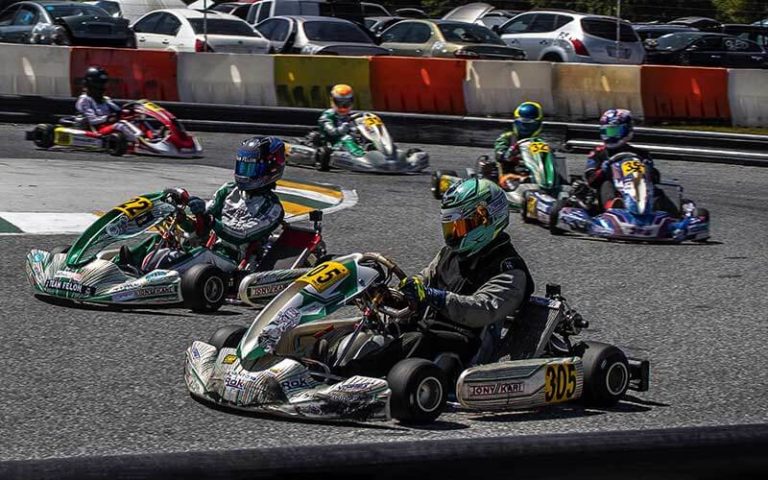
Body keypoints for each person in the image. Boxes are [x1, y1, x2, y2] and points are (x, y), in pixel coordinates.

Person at [338, 178, 534, 378]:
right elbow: (423, 280)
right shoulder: (450, 254)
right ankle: (324, 360)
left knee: (417, 340)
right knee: (372, 328)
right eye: (450, 227)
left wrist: (435, 297)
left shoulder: (509, 270)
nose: (453, 235)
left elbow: (482, 310)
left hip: (464, 347)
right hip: (429, 326)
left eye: (460, 226)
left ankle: (351, 377)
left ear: (485, 219)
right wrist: (395, 294)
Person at [118, 136, 286, 272]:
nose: (244, 174)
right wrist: (184, 215)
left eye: (250, 169)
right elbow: (200, 227)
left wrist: (211, 221)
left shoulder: (273, 208)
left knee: (201, 254)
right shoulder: (228, 191)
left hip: (236, 262)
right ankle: (120, 266)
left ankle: (150, 277)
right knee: (161, 239)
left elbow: (242, 235)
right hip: (209, 248)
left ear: (270, 169)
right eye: (242, 167)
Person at [584, 108, 678, 214]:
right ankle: (614, 206)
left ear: (627, 130)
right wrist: (603, 171)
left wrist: (649, 170)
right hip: (609, 198)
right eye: (607, 131)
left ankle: (669, 213)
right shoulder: (598, 154)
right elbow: (590, 180)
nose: (610, 136)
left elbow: (655, 179)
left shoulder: (641, 154)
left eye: (614, 131)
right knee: (606, 184)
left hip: (636, 189)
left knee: (655, 189)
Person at [479, 101, 545, 187]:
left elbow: (544, 160)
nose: (525, 128)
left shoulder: (539, 142)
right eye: (522, 124)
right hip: (510, 178)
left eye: (530, 125)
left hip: (534, 177)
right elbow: (499, 153)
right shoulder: (507, 137)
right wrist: (509, 153)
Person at [75, 66, 141, 142]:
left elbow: (118, 110)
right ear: (91, 84)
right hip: (96, 130)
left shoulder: (105, 99)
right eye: (99, 84)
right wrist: (107, 118)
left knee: (137, 121)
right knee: (120, 125)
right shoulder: (85, 100)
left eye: (103, 84)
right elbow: (92, 120)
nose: (102, 87)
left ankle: (152, 138)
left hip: (107, 126)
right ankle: (138, 142)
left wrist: (129, 112)